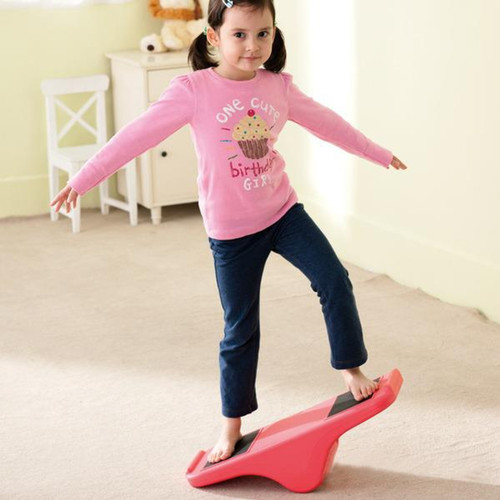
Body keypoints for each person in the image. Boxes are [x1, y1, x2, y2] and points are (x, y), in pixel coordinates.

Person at [50, 0, 408, 465]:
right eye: (239, 34)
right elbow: (136, 136)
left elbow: (328, 124)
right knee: (241, 329)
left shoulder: (279, 87)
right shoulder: (193, 90)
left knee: (334, 279)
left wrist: (377, 153)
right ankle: (231, 428)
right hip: (232, 232)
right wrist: (83, 179)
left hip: (283, 212)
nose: (253, 45)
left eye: (264, 34)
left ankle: (350, 366)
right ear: (214, 38)